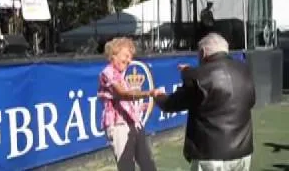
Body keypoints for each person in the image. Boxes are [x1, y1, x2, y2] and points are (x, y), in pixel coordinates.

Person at [152, 33, 256, 171]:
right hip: (242, 151)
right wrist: (189, 72)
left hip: (210, 154)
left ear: (203, 52)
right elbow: (251, 101)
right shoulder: (244, 70)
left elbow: (171, 103)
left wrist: (158, 96)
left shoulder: (197, 76)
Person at [97, 37, 157, 171]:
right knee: (126, 166)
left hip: (134, 124)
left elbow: (124, 101)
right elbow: (122, 94)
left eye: (131, 57)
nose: (129, 60)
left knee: (148, 164)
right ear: (114, 54)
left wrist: (140, 107)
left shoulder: (121, 75)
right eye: (126, 56)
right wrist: (149, 93)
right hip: (118, 126)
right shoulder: (107, 73)